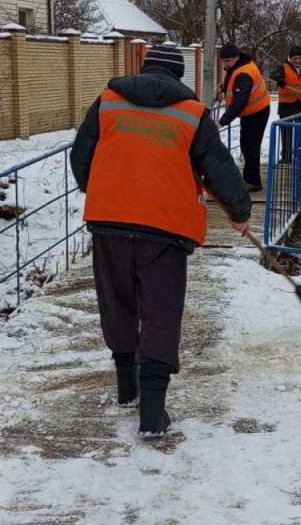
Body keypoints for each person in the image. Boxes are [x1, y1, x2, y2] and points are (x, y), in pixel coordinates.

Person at [70, 44, 252, 439]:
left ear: (143, 68)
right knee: (160, 313)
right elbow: (218, 168)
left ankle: (126, 390)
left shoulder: (106, 103)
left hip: (109, 224)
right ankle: (152, 415)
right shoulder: (191, 114)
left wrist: (103, 192)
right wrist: (239, 212)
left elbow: (80, 157)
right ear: (178, 76)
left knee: (116, 302)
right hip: (165, 231)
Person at [217, 43, 270, 192]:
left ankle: (253, 182)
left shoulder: (243, 73)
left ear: (236, 57)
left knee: (250, 147)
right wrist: (225, 85)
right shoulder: (241, 65)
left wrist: (223, 121)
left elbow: (240, 101)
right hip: (252, 112)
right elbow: (235, 82)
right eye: (224, 61)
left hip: (257, 113)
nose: (225, 64)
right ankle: (249, 178)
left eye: (228, 61)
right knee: (246, 145)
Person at [271, 45, 301, 164]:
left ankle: (300, 155)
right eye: (294, 58)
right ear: (290, 58)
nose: (297, 61)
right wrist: (280, 80)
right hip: (286, 105)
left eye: (299, 58)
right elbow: (275, 75)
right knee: (286, 131)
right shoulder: (282, 67)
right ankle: (286, 156)